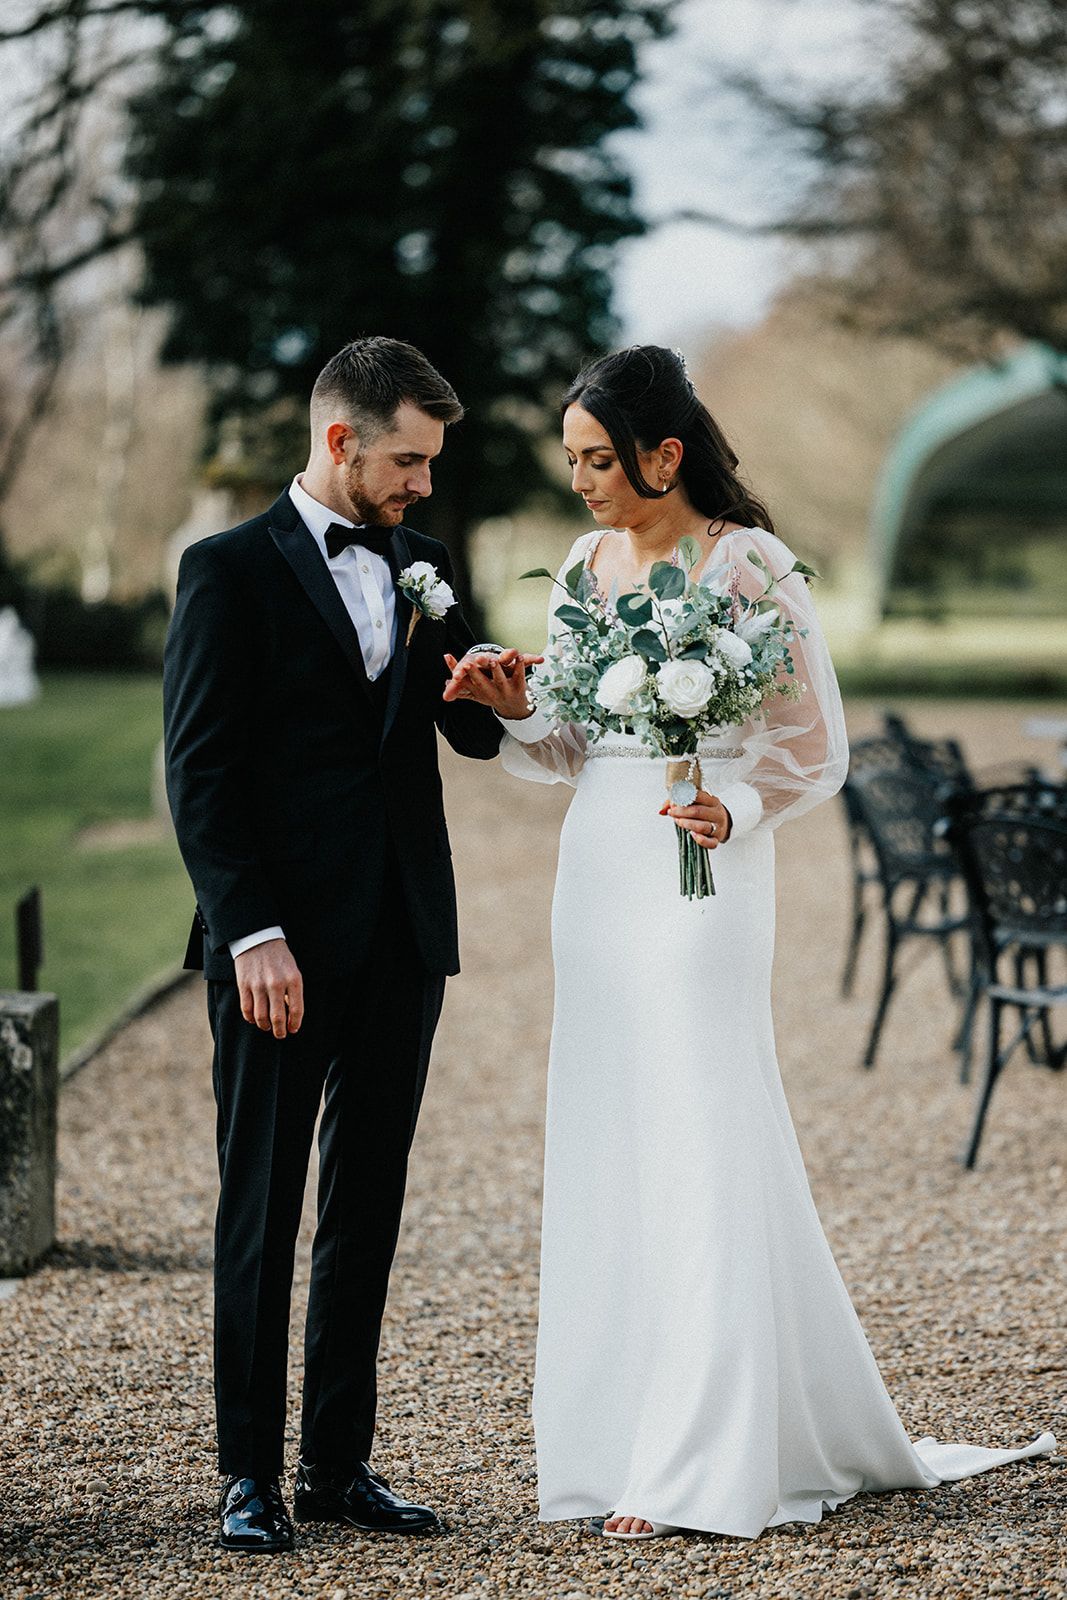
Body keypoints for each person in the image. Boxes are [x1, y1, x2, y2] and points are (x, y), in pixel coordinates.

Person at [443, 344, 1055, 1540]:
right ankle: (618, 1439)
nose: (582, 484)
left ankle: (699, 1462)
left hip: (704, 863)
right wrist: (515, 707)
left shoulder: (750, 568)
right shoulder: (580, 564)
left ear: (664, 455)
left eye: (597, 461)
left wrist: (740, 805)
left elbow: (812, 745)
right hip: (599, 872)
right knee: (613, 1131)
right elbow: (574, 741)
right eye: (570, 463)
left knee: (699, 1127)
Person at [164, 337, 530, 1553]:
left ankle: (336, 1464)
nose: (424, 484)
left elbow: (464, 734)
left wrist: (493, 694)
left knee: (366, 1205)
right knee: (263, 1208)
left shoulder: (423, 561)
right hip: (276, 947)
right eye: (408, 460)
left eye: (430, 462)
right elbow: (200, 774)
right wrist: (249, 931)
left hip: (401, 937)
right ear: (340, 440)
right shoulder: (224, 573)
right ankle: (247, 1479)